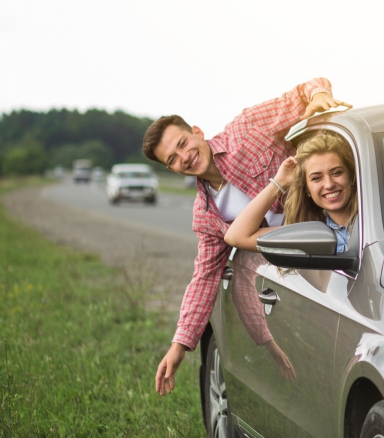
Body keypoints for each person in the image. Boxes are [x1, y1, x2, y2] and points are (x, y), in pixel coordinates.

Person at [142, 78, 351, 396]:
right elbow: (204, 278)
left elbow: (304, 91)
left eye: (182, 144)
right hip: (291, 271)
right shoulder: (206, 214)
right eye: (171, 158)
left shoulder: (247, 128)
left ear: (197, 132)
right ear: (170, 169)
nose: (183, 157)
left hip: (338, 234)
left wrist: (320, 96)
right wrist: (179, 345)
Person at [225, 132, 358, 252]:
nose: (329, 184)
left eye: (336, 173)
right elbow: (237, 236)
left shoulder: (377, 214)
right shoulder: (311, 236)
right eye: (316, 178)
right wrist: (279, 183)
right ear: (307, 190)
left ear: (350, 176)